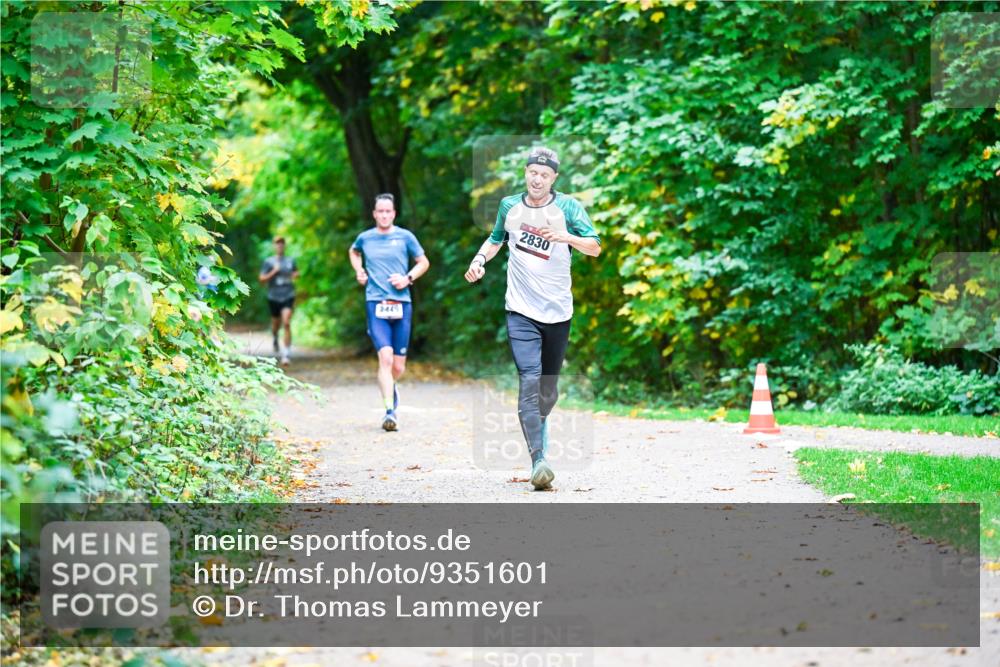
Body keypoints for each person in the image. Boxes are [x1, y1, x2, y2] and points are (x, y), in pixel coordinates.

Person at [464, 147, 601, 490]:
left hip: (557, 313)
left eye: (544, 175)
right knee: (529, 379)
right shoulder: (510, 206)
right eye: (532, 173)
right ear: (525, 173)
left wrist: (566, 237)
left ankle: (539, 430)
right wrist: (480, 260)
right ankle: (539, 460)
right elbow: (496, 241)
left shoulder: (568, 207)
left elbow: (595, 246)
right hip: (520, 310)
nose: (537, 179)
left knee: (547, 391)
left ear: (554, 178)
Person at [349, 193, 430, 431]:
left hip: (401, 304)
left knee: (398, 367)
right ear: (374, 214)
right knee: (384, 357)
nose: (384, 215)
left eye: (388, 211)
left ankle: (391, 386)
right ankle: (389, 411)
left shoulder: (405, 237)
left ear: (393, 213)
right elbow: (353, 252)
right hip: (375, 302)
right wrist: (359, 271)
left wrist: (408, 278)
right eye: (380, 211)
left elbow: (423, 262)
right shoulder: (365, 238)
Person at [259, 236, 299, 367]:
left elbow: (296, 272)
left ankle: (286, 354)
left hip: (288, 295)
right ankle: (275, 337)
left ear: (284, 246)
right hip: (273, 296)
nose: (280, 246)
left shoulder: (290, 261)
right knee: (276, 324)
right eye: (277, 244)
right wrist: (273, 272)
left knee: (286, 322)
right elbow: (262, 279)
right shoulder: (269, 262)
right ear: (274, 247)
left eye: (282, 244)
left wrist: (295, 275)